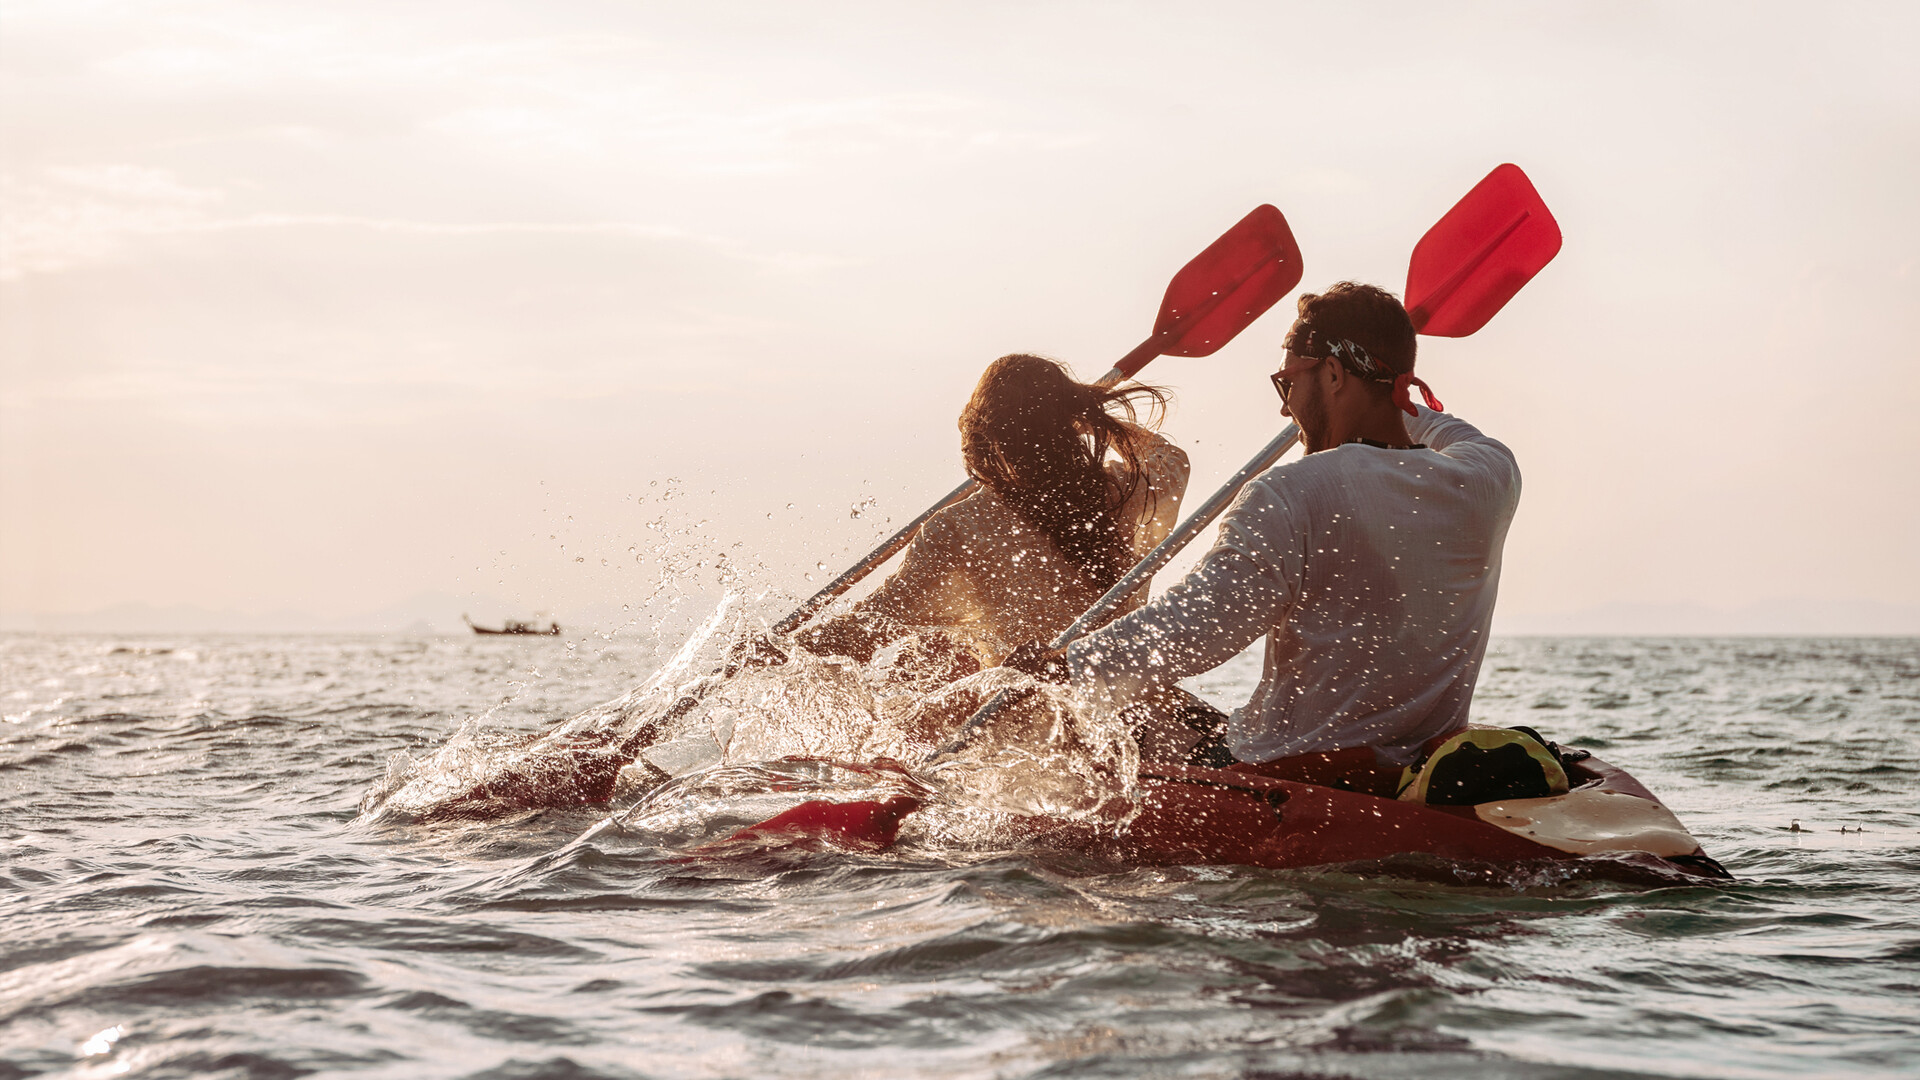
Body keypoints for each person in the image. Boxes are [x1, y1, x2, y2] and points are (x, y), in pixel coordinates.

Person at [1011, 282, 1520, 792]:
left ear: (1335, 374)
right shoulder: (1488, 477)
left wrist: (1065, 664)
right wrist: (1382, 380)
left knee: (1117, 715)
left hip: (1294, 771)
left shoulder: (1289, 493)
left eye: (1287, 383)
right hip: (1415, 768)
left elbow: (1195, 626)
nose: (1284, 409)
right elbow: (1441, 427)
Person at [793, 353, 1190, 676]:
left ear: (976, 431)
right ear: (1067, 425)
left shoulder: (958, 526)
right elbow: (1170, 458)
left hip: (1026, 714)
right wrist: (1089, 418)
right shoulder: (1124, 489)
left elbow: (873, 623)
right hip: (1126, 698)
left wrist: (782, 650)